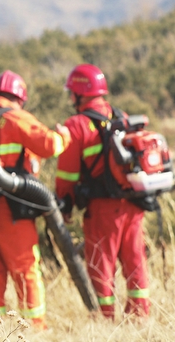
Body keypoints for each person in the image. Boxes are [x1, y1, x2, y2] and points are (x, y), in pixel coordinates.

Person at [0, 70, 69, 329]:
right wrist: (64, 138)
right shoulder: (15, 118)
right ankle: (33, 326)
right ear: (19, 97)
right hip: (14, 207)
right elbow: (48, 145)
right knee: (25, 266)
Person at [55, 64, 150, 319]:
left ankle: (105, 318)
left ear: (79, 94)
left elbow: (67, 175)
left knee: (101, 262)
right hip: (133, 202)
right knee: (135, 259)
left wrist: (65, 207)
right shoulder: (121, 115)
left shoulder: (76, 124)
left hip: (102, 208)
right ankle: (140, 315)